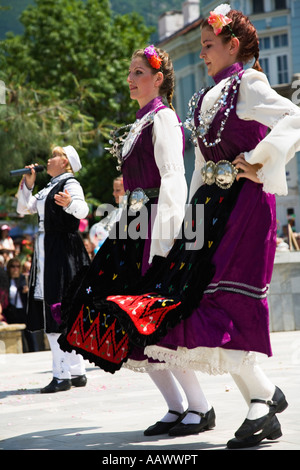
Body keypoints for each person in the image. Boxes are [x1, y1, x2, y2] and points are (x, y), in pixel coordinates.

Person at [58, 45, 214, 432]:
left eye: (138, 72)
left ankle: (200, 407)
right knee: (121, 317)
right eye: (130, 72)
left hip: (153, 227)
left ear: (158, 79)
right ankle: (176, 406)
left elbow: (174, 176)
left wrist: (167, 238)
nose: (130, 78)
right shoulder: (141, 123)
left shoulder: (162, 119)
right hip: (132, 226)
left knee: (150, 317)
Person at [16, 145, 91, 392]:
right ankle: (77, 371)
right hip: (48, 250)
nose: (48, 159)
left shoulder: (70, 184)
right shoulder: (49, 186)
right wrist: (28, 184)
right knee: (60, 308)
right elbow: (23, 209)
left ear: (66, 162)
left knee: (56, 308)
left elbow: (83, 210)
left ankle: (61, 375)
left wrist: (70, 203)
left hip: (60, 251)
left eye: (54, 155)